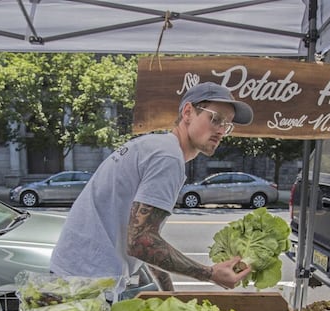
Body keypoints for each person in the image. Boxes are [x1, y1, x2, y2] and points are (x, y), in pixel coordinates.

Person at [49, 81, 254, 292]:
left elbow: (146, 237)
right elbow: (140, 242)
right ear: (188, 112)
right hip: (87, 281)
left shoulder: (157, 147)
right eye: (215, 119)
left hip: (76, 273)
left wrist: (168, 292)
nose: (221, 130)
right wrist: (210, 274)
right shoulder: (168, 157)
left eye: (227, 125)